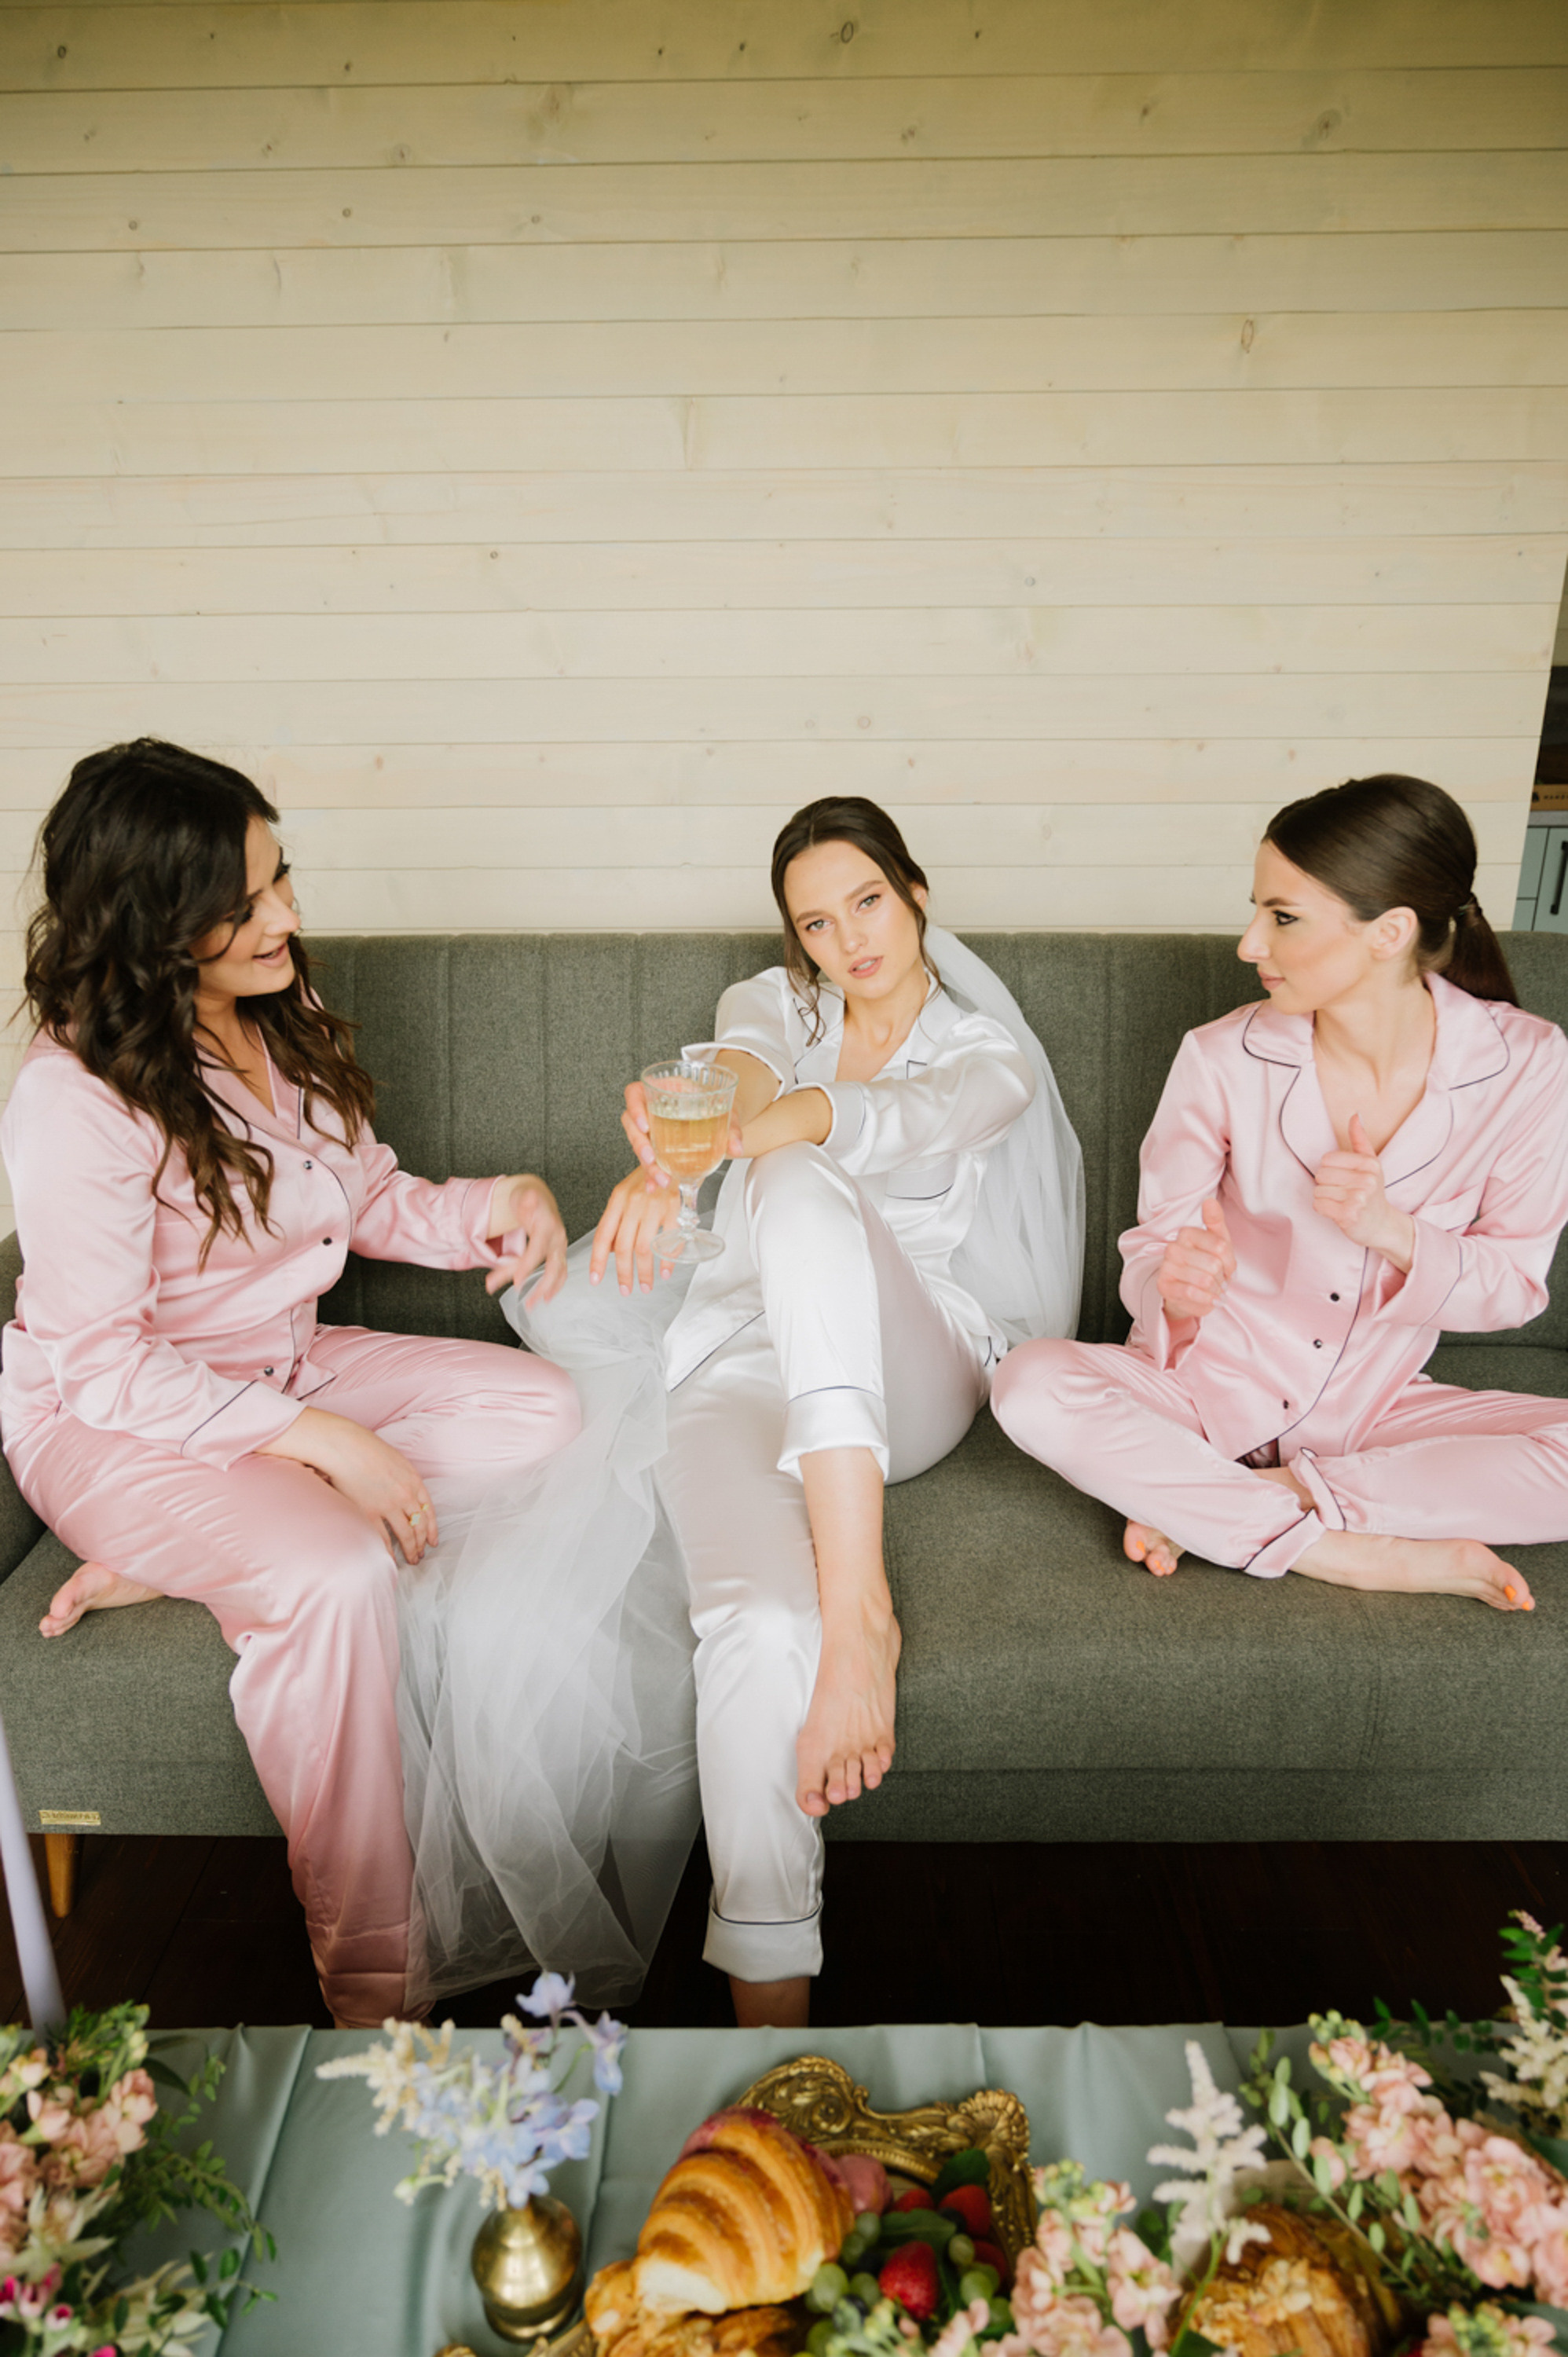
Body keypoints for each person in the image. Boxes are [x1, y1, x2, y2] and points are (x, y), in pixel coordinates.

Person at [0, 740, 580, 2026]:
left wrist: (500, 1202)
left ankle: (197, 1553)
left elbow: (361, 1197)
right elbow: (105, 1366)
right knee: (337, 1572)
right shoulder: (73, 1098)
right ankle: (373, 1980)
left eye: (281, 878)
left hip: (279, 1366)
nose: (286, 916)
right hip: (111, 1425)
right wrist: (324, 1441)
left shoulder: (277, 1007)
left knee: (547, 1415)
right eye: (245, 899)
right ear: (152, 918)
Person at [580, 797, 1083, 2025]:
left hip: (911, 1370)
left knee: (801, 1175)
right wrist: (681, 1146)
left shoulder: (988, 1056)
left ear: (915, 894)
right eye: (816, 922)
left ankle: (861, 1613)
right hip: (739, 1351)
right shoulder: (776, 1003)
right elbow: (741, 1066)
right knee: (753, 1624)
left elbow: (861, 1121)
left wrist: (747, 1140)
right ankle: (769, 2033)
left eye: (866, 901)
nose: (849, 939)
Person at [991, 773, 1568, 1610]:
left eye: (1283, 917)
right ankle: (1346, 1553)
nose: (1249, 943)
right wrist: (1172, 1289)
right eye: (1257, 911)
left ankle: (1251, 1500)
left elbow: (1514, 1285)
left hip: (1373, 1409)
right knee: (1027, 1381)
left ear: (1390, 931)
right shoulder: (1220, 1057)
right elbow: (1155, 1246)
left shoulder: (1528, 1063)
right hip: (1200, 1394)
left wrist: (1393, 1231)